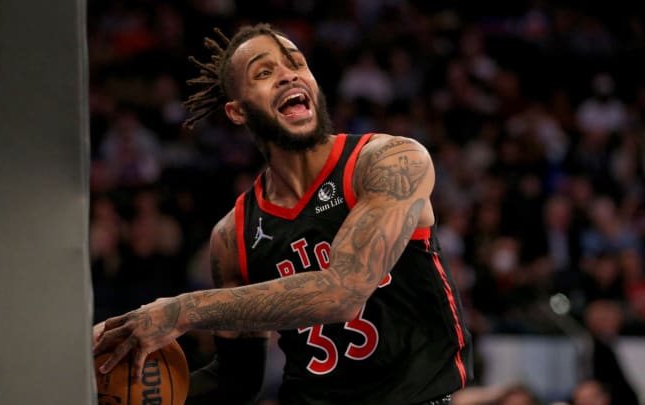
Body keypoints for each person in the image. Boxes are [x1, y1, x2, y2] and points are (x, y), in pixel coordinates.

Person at [93, 22, 473, 405]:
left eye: (296, 63)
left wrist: (182, 310)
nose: (287, 74)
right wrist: (129, 390)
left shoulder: (389, 161)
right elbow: (236, 379)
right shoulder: (233, 234)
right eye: (264, 71)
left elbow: (344, 292)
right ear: (237, 111)